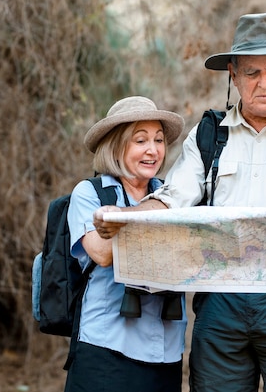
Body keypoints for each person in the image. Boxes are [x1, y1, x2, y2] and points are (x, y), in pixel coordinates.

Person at [93, 13, 266, 392]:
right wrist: (124, 217)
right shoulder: (208, 135)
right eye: (252, 73)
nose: (264, 82)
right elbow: (172, 201)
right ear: (233, 76)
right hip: (220, 296)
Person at [64, 96, 187, 392]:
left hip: (166, 351)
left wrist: (123, 220)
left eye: (159, 140)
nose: (153, 150)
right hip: (107, 349)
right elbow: (102, 253)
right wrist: (159, 223)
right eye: (140, 140)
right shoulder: (89, 194)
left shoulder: (174, 195)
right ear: (117, 146)